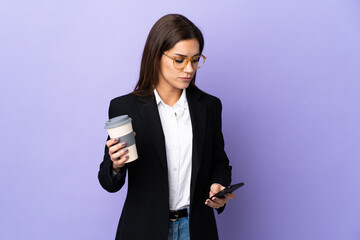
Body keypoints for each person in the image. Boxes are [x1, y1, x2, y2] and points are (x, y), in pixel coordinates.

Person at [98, 14, 235, 240]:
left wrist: (218, 187)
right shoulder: (125, 107)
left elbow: (219, 163)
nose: (189, 69)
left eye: (195, 59)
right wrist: (115, 165)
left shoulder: (209, 107)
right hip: (143, 230)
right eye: (179, 59)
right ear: (156, 57)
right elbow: (109, 183)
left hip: (196, 228)